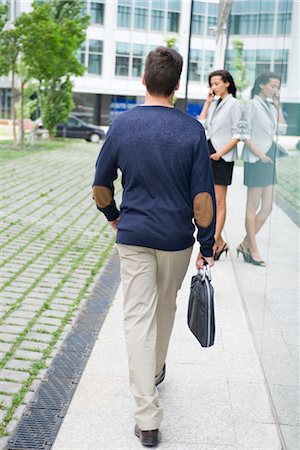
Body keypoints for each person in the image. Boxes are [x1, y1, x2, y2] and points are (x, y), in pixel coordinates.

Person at [92, 46, 216, 448]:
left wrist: (114, 215)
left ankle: (148, 416)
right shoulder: (192, 130)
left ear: (144, 80)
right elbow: (203, 199)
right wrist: (207, 244)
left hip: (135, 236)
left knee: (138, 316)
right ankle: (156, 370)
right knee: (165, 308)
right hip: (176, 241)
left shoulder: (123, 125)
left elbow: (100, 185)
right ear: (177, 87)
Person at [238, 72, 287, 266]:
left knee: (267, 207)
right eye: (273, 86)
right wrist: (260, 155)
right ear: (261, 85)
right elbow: (245, 135)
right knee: (253, 206)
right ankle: (253, 249)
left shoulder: (269, 106)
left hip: (269, 159)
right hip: (257, 159)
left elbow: (281, 128)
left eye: (277, 87)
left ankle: (245, 243)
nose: (275, 90)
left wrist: (278, 105)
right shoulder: (252, 105)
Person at [198, 70, 243, 260]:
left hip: (221, 157)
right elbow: (201, 125)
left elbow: (238, 134)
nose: (213, 87)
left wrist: (219, 154)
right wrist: (208, 103)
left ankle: (214, 243)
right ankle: (220, 241)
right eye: (211, 84)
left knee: (219, 202)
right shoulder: (216, 103)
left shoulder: (235, 105)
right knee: (208, 200)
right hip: (210, 154)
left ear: (227, 83)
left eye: (216, 83)